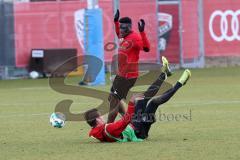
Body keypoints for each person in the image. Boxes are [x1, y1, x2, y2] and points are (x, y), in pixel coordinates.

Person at [84, 58, 191, 142]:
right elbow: (124, 121)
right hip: (137, 131)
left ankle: (166, 76)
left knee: (149, 100)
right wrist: (130, 103)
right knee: (147, 100)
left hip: (135, 126)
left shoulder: (96, 132)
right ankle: (177, 82)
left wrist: (116, 97)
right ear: (97, 119)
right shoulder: (107, 129)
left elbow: (120, 118)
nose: (102, 117)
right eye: (100, 116)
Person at [107, 9, 151, 123]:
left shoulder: (135, 38)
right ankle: (128, 121)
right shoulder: (124, 37)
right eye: (120, 27)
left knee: (114, 100)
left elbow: (146, 48)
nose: (120, 30)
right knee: (112, 97)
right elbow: (118, 33)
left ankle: (108, 128)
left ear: (128, 27)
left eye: (122, 28)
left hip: (128, 76)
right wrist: (115, 21)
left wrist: (142, 32)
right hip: (121, 75)